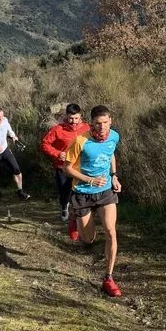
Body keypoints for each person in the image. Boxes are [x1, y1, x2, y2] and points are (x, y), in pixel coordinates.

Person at [63, 105, 123, 297]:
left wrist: (114, 175)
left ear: (110, 121)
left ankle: (109, 278)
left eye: (106, 122)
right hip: (82, 192)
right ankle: (75, 217)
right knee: (89, 239)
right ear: (91, 124)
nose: (102, 127)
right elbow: (67, 168)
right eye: (98, 124)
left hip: (105, 191)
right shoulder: (80, 141)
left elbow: (111, 152)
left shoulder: (114, 136)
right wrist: (90, 180)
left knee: (111, 232)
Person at [40, 103, 90, 233]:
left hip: (80, 167)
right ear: (66, 116)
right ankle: (64, 206)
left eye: (76, 118)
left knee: (79, 193)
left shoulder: (87, 128)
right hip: (62, 167)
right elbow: (45, 144)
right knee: (64, 192)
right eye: (71, 118)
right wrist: (57, 153)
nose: (73, 121)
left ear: (81, 117)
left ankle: (79, 218)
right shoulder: (58, 129)